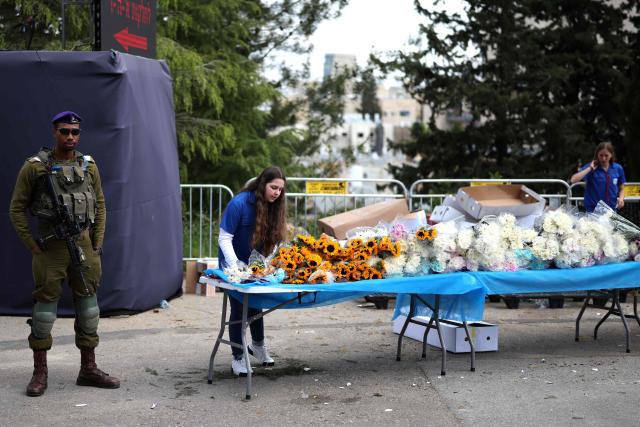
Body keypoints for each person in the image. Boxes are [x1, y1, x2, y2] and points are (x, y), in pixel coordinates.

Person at [9, 111, 120, 397]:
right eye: (64, 131)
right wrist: (32, 245)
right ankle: (40, 372)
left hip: (83, 245)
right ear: (54, 132)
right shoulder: (35, 168)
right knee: (45, 312)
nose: (70, 137)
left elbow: (101, 204)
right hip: (51, 247)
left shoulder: (89, 166)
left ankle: (88, 368)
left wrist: (96, 243)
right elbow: (16, 208)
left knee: (89, 309)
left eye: (74, 132)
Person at [218, 166, 287, 376]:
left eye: (280, 190)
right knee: (239, 309)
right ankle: (238, 358)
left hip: (255, 265)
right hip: (233, 266)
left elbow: (274, 241)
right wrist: (236, 265)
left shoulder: (275, 207)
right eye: (273, 187)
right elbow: (224, 238)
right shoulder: (239, 203)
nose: (277, 192)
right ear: (262, 184)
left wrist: (265, 262)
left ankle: (258, 345)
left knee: (257, 303)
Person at [570, 142, 626, 212]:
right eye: (601, 155)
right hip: (592, 210)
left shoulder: (618, 168)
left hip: (611, 210)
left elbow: (622, 188)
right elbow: (573, 180)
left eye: (606, 155)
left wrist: (621, 199)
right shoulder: (590, 167)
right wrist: (590, 169)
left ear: (611, 155)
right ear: (597, 155)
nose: (603, 158)